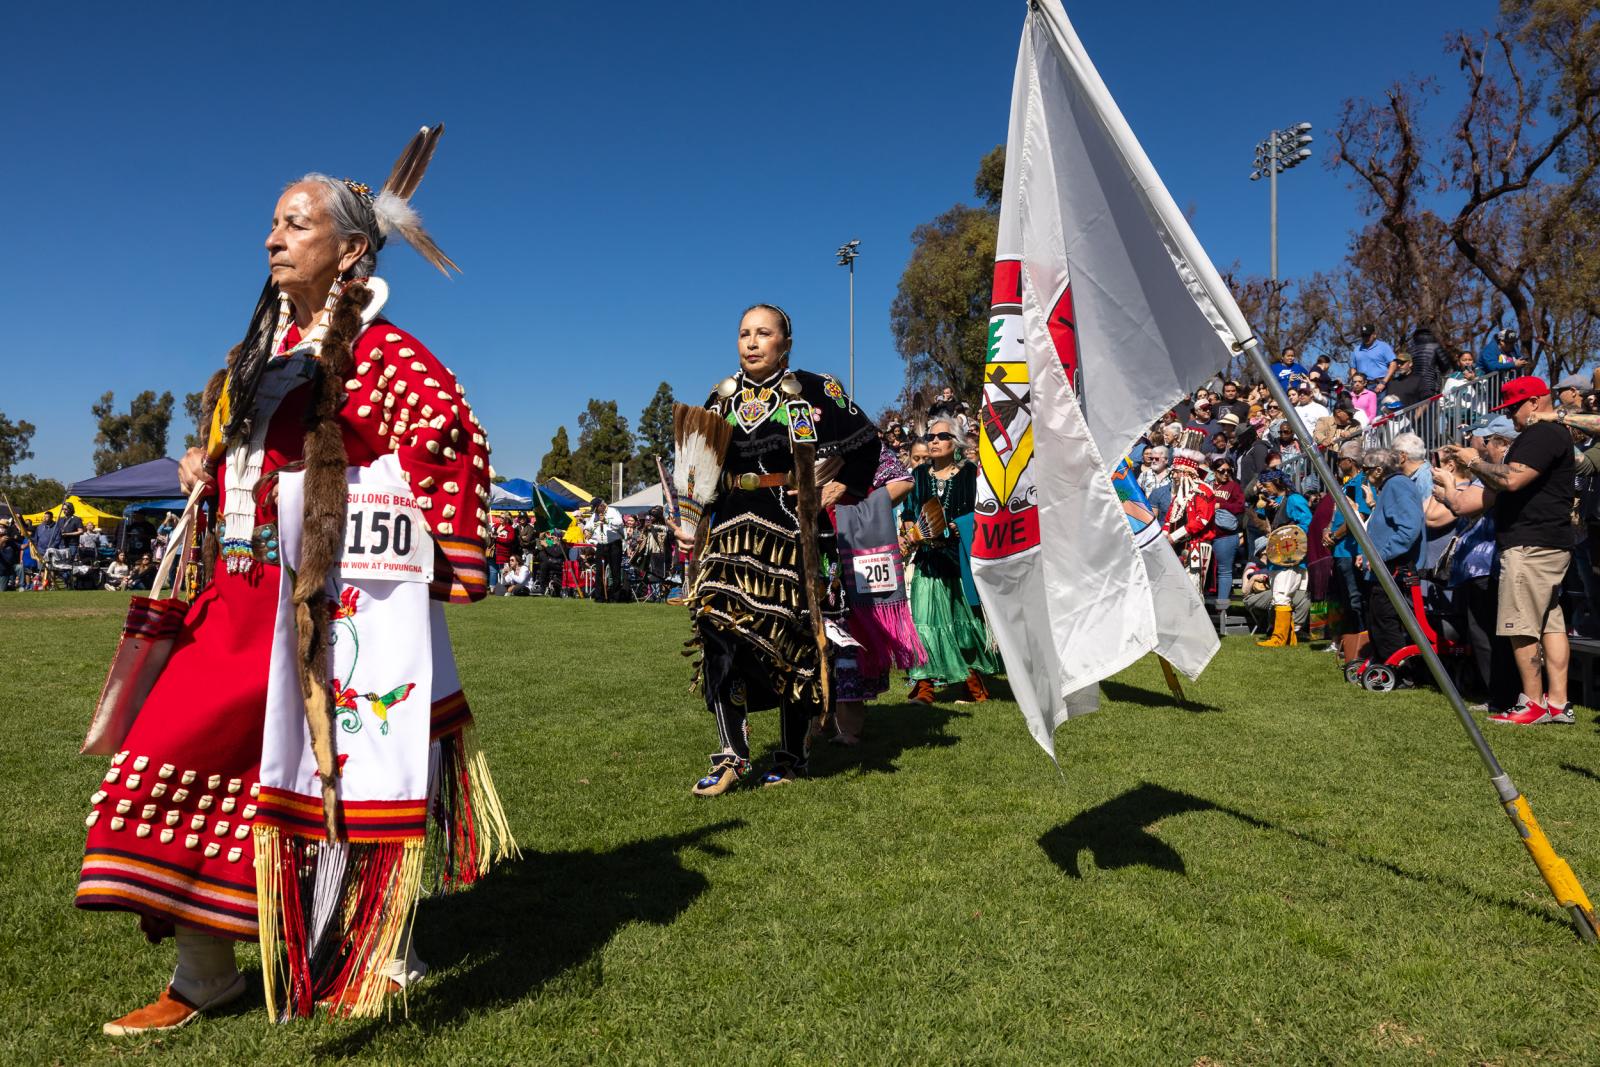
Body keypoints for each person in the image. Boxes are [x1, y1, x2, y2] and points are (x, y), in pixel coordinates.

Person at [78, 135, 513, 1034]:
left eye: (296, 223)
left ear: (350, 248)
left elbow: (451, 436)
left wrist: (392, 509)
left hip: (329, 602)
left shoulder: (383, 353)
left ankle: (377, 943)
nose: (274, 237)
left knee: (348, 768)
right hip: (236, 599)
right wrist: (212, 459)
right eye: (273, 222)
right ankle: (206, 974)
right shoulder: (259, 352)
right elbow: (246, 450)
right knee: (171, 745)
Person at [683, 304, 881, 795]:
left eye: (763, 333)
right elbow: (698, 468)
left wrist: (837, 488)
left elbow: (866, 442)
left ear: (784, 344)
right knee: (718, 634)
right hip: (729, 530)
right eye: (744, 333)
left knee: (787, 643)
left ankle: (792, 756)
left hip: (789, 531)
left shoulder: (815, 390)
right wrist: (690, 518)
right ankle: (732, 755)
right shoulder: (719, 398)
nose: (751, 342)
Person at [1451, 376, 1578, 723]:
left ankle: (1533, 704)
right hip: (1544, 541)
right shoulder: (1544, 435)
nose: (1509, 415)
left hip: (1531, 543)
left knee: (1520, 625)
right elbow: (1490, 495)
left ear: (1535, 402)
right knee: (1550, 623)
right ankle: (1557, 703)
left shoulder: (1541, 434)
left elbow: (1511, 480)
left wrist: (1474, 461)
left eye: (1513, 407)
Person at [902, 417, 1001, 703]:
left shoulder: (971, 474)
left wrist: (963, 523)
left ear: (954, 441)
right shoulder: (919, 474)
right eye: (930, 437)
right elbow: (909, 512)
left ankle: (973, 684)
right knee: (923, 621)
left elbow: (985, 511)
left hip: (960, 559)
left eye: (941, 436)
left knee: (962, 623)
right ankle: (924, 686)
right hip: (928, 560)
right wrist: (911, 530)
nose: (933, 441)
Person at [1357, 448, 1425, 672]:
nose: (1363, 474)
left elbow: (1409, 528)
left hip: (1396, 568)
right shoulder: (1388, 488)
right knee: (1378, 619)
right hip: (1385, 568)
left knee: (1387, 620)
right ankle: (1384, 665)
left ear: (1378, 469)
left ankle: (1400, 672)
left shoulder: (1397, 485)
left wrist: (1380, 555)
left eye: (1366, 469)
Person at [1208, 456, 1245, 623]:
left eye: (1228, 471)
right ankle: (1206, 607)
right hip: (1207, 535)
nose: (1225, 474)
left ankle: (1222, 609)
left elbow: (1240, 506)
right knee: (1207, 571)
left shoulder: (1234, 486)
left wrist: (1221, 505)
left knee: (1224, 571)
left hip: (1226, 536)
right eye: (1221, 471)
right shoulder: (1208, 486)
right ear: (1214, 472)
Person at [584, 497, 625, 602]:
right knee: (599, 572)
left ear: (601, 506)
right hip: (601, 545)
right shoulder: (595, 515)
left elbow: (620, 523)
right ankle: (599, 596)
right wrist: (586, 531)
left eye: (596, 508)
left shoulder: (613, 511)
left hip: (614, 545)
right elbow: (588, 526)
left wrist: (606, 521)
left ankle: (615, 597)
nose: (596, 511)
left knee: (615, 571)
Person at [1351, 324, 1397, 393]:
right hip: (1363, 387)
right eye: (1363, 335)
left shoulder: (1383, 346)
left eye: (1368, 335)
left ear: (1374, 335)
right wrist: (1355, 382)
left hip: (1381, 385)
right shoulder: (1356, 350)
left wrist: (1384, 382)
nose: (1366, 338)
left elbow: (1393, 364)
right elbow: (1353, 368)